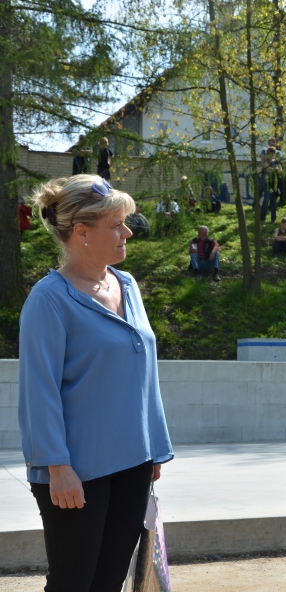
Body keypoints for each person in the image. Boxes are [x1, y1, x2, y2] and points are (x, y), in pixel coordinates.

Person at [18, 174, 173, 591]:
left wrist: (155, 447)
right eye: (117, 225)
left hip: (134, 463)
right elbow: (39, 391)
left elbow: (144, 374)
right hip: (76, 471)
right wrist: (57, 466)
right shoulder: (48, 299)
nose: (128, 232)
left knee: (108, 581)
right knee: (73, 582)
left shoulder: (128, 285)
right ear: (82, 232)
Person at [259, 148, 281, 223]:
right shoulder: (266, 160)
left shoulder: (277, 161)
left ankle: (273, 219)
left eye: (273, 152)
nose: (271, 154)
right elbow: (267, 169)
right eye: (270, 153)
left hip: (274, 183)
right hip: (267, 183)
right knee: (266, 200)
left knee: (273, 201)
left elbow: (280, 171)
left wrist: (277, 168)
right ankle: (262, 218)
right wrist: (275, 169)